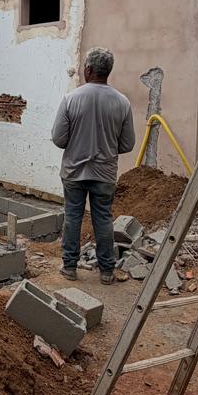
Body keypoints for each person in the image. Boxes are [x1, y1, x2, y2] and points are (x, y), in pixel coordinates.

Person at [51, 46, 135, 285]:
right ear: (108, 71)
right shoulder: (122, 102)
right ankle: (107, 272)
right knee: (103, 219)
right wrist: (106, 146)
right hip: (105, 173)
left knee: (73, 216)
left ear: (88, 70)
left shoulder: (71, 99)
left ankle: (69, 267)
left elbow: (59, 139)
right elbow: (127, 144)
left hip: (74, 172)